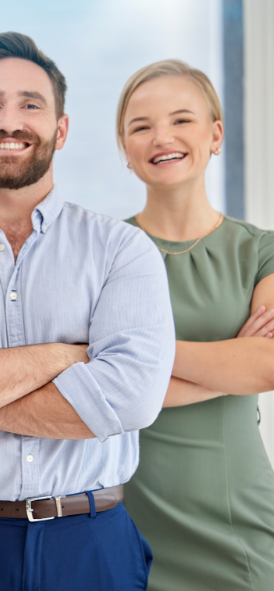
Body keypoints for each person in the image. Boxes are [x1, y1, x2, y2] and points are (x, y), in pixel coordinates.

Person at [0, 32, 176, 590]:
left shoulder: (121, 251)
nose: (10, 121)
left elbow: (129, 399)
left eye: (31, 104)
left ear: (61, 128)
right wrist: (62, 358)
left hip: (90, 543)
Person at [117, 59, 274, 590]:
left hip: (238, 521)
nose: (162, 136)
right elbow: (101, 386)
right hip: (127, 525)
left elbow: (268, 363)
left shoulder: (261, 251)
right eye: (141, 126)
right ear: (125, 148)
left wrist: (138, 354)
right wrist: (231, 363)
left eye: (182, 119)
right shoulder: (101, 253)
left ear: (216, 134)